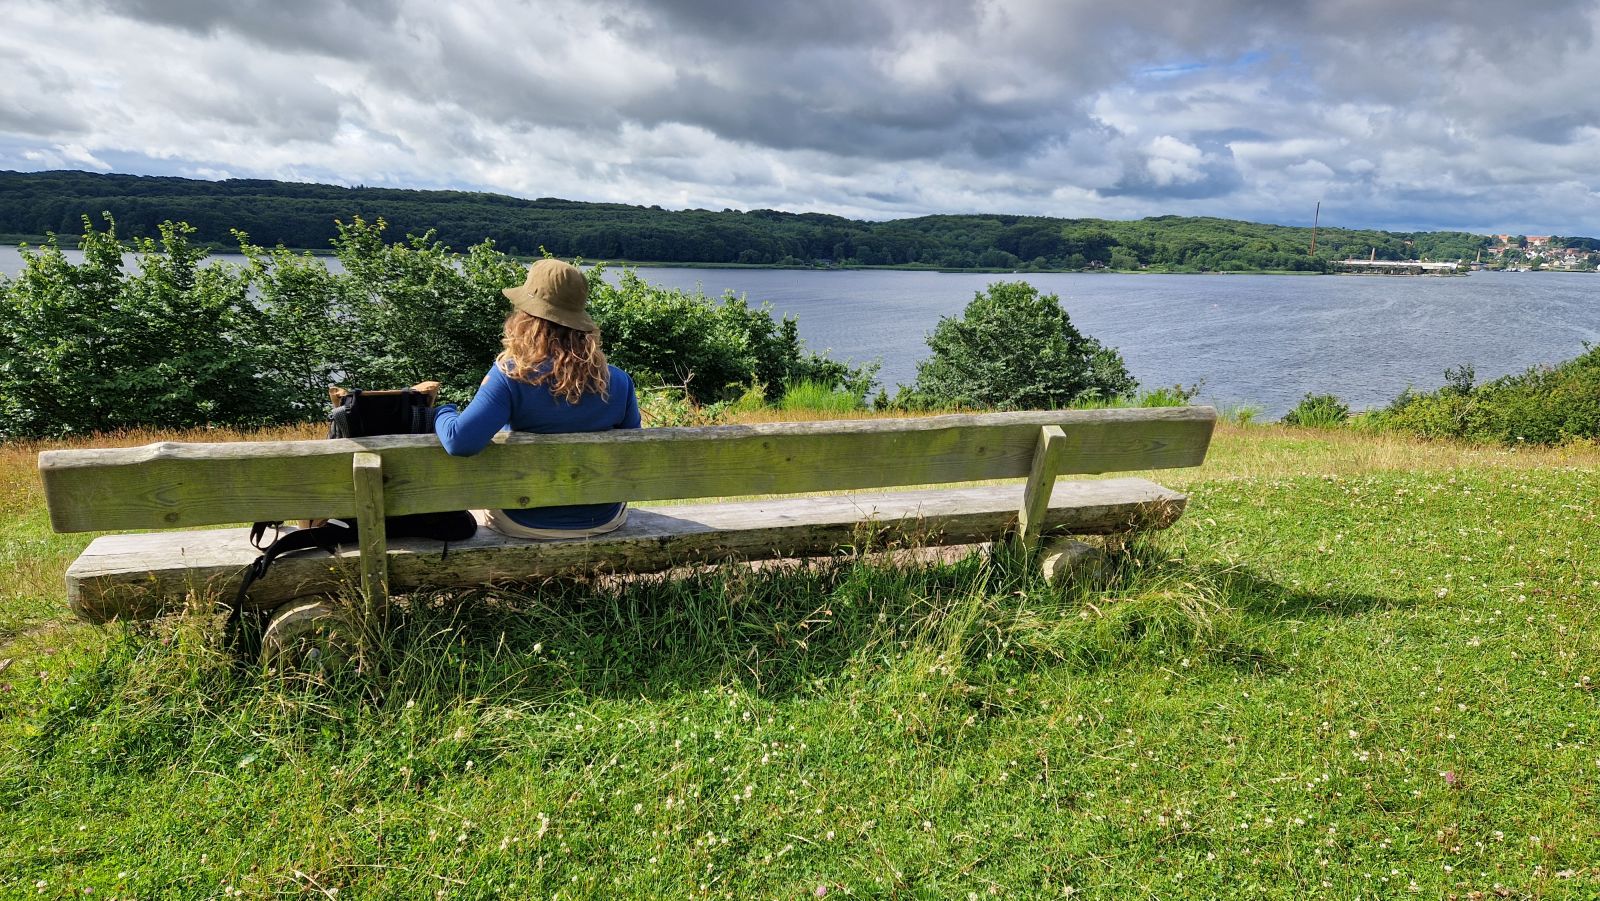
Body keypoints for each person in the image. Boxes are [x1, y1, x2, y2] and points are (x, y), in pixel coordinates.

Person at [434, 258, 640, 538]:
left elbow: (460, 441)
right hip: (602, 519)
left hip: (523, 519)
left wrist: (441, 411)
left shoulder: (510, 375)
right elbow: (632, 452)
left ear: (525, 318)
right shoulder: (618, 380)